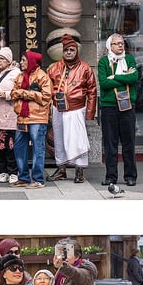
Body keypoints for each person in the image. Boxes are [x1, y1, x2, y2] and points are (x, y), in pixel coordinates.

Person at [47, 35, 98, 183]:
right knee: (59, 140)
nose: (69, 52)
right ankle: (61, 169)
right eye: (66, 50)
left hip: (77, 109)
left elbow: (92, 91)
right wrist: (49, 108)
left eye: (71, 50)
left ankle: (79, 170)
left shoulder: (85, 68)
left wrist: (89, 113)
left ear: (76, 51)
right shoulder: (54, 68)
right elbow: (48, 89)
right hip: (58, 108)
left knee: (78, 140)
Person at [97, 33, 140, 186]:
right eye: (117, 43)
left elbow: (134, 78)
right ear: (110, 46)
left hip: (127, 105)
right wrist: (123, 77)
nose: (121, 46)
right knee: (110, 143)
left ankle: (130, 176)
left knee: (129, 143)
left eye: (122, 43)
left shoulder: (129, 59)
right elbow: (104, 83)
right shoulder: (103, 62)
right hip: (109, 106)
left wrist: (114, 76)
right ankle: (111, 177)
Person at [9, 50, 52, 188]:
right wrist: (29, 93)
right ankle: (23, 177)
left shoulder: (43, 77)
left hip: (37, 118)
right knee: (19, 147)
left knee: (38, 148)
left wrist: (25, 93)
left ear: (31, 61)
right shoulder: (20, 76)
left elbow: (46, 97)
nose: (21, 62)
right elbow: (13, 93)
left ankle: (38, 179)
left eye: (23, 60)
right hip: (22, 117)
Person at [0, 47, 21, 184]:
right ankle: (2, 171)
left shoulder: (16, 73)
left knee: (10, 146)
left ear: (9, 61)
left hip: (10, 114)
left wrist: (7, 94)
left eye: (2, 58)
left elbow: (21, 91)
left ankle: (13, 172)